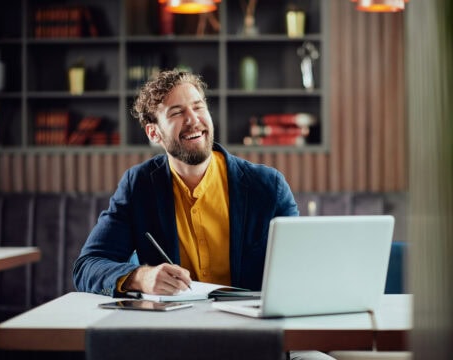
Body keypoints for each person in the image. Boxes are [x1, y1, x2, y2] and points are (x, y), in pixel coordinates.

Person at [72, 69, 335, 360]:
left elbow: (301, 275)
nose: (193, 119)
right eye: (177, 112)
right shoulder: (139, 186)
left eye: (198, 107)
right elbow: (87, 266)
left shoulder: (267, 186)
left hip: (259, 338)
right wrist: (140, 277)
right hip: (176, 340)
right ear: (153, 132)